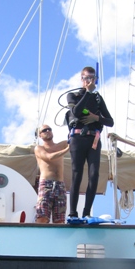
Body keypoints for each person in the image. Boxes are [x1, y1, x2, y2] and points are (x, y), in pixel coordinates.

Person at [66, 66, 114, 218]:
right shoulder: (73, 95)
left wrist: (96, 118)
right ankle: (73, 213)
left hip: (94, 139)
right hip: (77, 139)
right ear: (82, 79)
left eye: (92, 78)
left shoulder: (98, 99)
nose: (89, 81)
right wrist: (87, 92)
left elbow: (110, 121)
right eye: (86, 78)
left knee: (94, 175)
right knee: (77, 174)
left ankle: (86, 213)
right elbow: (76, 112)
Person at [34, 125, 69, 223]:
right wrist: (67, 149)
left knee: (60, 219)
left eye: (49, 129)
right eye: (44, 130)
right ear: (40, 135)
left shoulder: (62, 144)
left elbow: (75, 140)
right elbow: (49, 157)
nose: (48, 131)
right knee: (42, 216)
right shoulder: (39, 148)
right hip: (46, 184)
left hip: (60, 184)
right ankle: (39, 233)